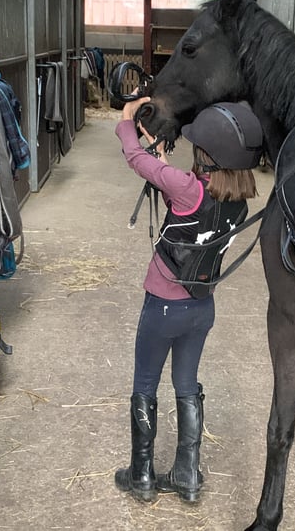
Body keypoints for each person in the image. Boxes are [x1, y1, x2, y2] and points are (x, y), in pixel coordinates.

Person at [113, 96, 263, 504]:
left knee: (145, 383)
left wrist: (127, 123)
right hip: (201, 308)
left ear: (207, 155)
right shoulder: (239, 201)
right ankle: (187, 475)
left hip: (162, 304)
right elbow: (188, 212)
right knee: (186, 385)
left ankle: (142, 475)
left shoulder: (186, 188)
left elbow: (134, 158)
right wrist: (163, 160)